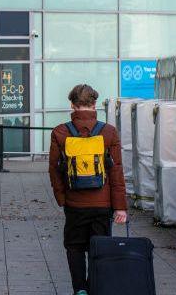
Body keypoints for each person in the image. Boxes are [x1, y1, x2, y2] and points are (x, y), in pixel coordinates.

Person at [48, 84, 127, 295]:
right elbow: (116, 171)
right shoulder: (109, 132)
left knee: (74, 247)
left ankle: (80, 290)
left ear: (72, 105)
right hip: (103, 204)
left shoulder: (61, 132)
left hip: (75, 204)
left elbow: (54, 170)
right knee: (99, 247)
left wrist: (62, 198)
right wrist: (120, 207)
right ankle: (95, 288)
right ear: (94, 105)